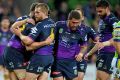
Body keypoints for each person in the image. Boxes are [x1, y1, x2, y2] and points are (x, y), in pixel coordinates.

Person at [13, 3, 55, 80]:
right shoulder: (53, 23)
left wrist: (20, 35)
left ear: (45, 12)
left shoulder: (40, 25)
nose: (35, 14)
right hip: (49, 58)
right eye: (35, 12)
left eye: (37, 12)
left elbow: (28, 42)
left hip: (40, 57)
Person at [85, 0, 119, 80]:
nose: (98, 13)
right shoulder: (102, 21)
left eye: (100, 11)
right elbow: (100, 42)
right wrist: (89, 53)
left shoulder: (113, 20)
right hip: (102, 54)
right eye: (97, 11)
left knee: (100, 78)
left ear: (107, 9)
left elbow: (117, 37)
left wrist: (105, 43)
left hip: (109, 54)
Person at [3, 3, 38, 80]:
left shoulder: (26, 19)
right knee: (24, 78)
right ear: (33, 11)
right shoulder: (26, 20)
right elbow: (13, 29)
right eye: (37, 12)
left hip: (13, 51)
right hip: (14, 52)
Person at [50, 10, 87, 80]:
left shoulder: (81, 31)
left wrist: (81, 54)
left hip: (71, 63)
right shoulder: (59, 25)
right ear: (68, 20)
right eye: (73, 22)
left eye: (77, 23)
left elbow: (84, 46)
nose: (75, 25)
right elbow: (50, 39)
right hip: (57, 62)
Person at [75, 9, 99, 80]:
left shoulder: (87, 29)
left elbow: (98, 41)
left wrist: (89, 53)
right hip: (69, 58)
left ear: (82, 18)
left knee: (79, 78)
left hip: (81, 59)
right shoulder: (66, 28)